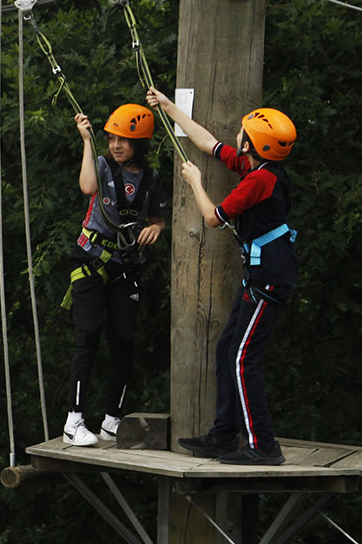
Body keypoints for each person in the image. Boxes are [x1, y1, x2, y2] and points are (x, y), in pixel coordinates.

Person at [145, 88, 298, 466]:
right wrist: (167, 107)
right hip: (261, 275)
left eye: (243, 131)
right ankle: (225, 435)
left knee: (243, 358)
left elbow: (214, 219)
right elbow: (208, 142)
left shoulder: (258, 182)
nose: (238, 134)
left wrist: (195, 182)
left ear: (251, 144)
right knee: (227, 347)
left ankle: (264, 446)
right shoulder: (259, 169)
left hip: (270, 280)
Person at [60, 104, 168, 446]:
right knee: (88, 335)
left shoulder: (150, 179)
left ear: (141, 144)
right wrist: (87, 141)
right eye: (112, 138)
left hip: (126, 265)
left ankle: (112, 419)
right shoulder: (103, 164)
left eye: (125, 140)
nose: (117, 144)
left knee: (124, 339)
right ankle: (74, 420)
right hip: (92, 260)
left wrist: (156, 229)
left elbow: (157, 219)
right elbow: (88, 187)